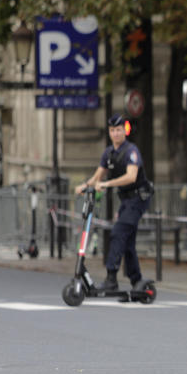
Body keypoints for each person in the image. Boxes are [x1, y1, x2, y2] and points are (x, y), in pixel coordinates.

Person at [74, 113, 154, 291]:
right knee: (127, 240)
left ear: (124, 131)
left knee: (118, 232)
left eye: (119, 130)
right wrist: (84, 186)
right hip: (126, 201)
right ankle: (137, 280)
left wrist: (107, 184)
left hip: (138, 198)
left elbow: (131, 176)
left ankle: (111, 279)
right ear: (109, 133)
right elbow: (98, 176)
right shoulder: (108, 153)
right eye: (112, 130)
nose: (116, 133)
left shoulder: (131, 151)